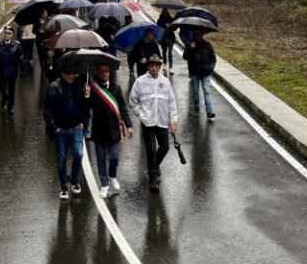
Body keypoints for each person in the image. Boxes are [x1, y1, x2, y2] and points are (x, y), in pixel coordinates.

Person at [129, 55, 178, 193]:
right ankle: (153, 178)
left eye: (157, 65)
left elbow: (171, 103)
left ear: (160, 67)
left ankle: (154, 166)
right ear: (148, 66)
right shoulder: (140, 82)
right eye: (152, 65)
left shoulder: (165, 82)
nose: (154, 68)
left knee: (165, 147)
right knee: (150, 149)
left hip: (162, 121)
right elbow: (132, 101)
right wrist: (141, 114)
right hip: (148, 122)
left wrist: (173, 121)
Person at [43, 66, 92, 201]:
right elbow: (47, 109)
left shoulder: (79, 86)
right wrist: (54, 127)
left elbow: (86, 106)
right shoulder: (54, 87)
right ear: (62, 73)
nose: (72, 76)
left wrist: (87, 96)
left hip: (76, 127)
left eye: (73, 73)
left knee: (78, 154)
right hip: (61, 129)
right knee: (61, 157)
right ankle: (64, 185)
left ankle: (74, 178)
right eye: (69, 73)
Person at [88, 63, 133, 198]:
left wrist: (129, 125)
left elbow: (123, 108)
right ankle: (104, 184)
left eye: (106, 71)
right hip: (99, 129)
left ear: (109, 72)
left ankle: (112, 175)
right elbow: (86, 106)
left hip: (114, 129)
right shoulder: (93, 89)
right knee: (101, 159)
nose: (104, 74)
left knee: (114, 156)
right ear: (98, 72)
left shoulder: (116, 88)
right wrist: (86, 95)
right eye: (101, 71)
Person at [183, 29, 217, 119]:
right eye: (196, 34)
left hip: (206, 72)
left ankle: (209, 111)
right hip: (194, 72)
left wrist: (211, 68)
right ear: (194, 35)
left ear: (202, 34)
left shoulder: (207, 44)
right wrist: (190, 48)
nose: (197, 35)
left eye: (199, 33)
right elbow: (185, 57)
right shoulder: (190, 44)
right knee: (196, 92)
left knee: (207, 91)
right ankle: (197, 108)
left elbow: (213, 57)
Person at [0, 25, 24, 115]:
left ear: (12, 35)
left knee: (11, 89)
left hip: (12, 71)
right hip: (2, 71)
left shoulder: (17, 45)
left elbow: (20, 58)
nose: (6, 35)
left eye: (9, 33)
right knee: (1, 88)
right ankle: (5, 98)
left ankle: (11, 105)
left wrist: (22, 69)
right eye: (5, 33)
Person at [156, 8, 175, 73]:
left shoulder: (171, 19)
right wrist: (164, 26)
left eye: (165, 11)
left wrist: (170, 26)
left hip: (170, 38)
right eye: (163, 11)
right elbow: (158, 28)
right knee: (164, 51)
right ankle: (164, 63)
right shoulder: (160, 19)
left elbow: (175, 28)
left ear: (167, 11)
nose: (164, 12)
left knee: (170, 52)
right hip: (163, 38)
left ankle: (171, 67)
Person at [33, 9, 50, 77]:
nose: (46, 14)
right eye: (45, 13)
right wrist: (38, 31)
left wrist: (45, 31)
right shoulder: (36, 22)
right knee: (40, 55)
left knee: (46, 55)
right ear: (42, 14)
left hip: (47, 40)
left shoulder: (48, 20)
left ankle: (46, 69)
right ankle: (42, 69)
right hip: (39, 41)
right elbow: (33, 31)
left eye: (47, 13)